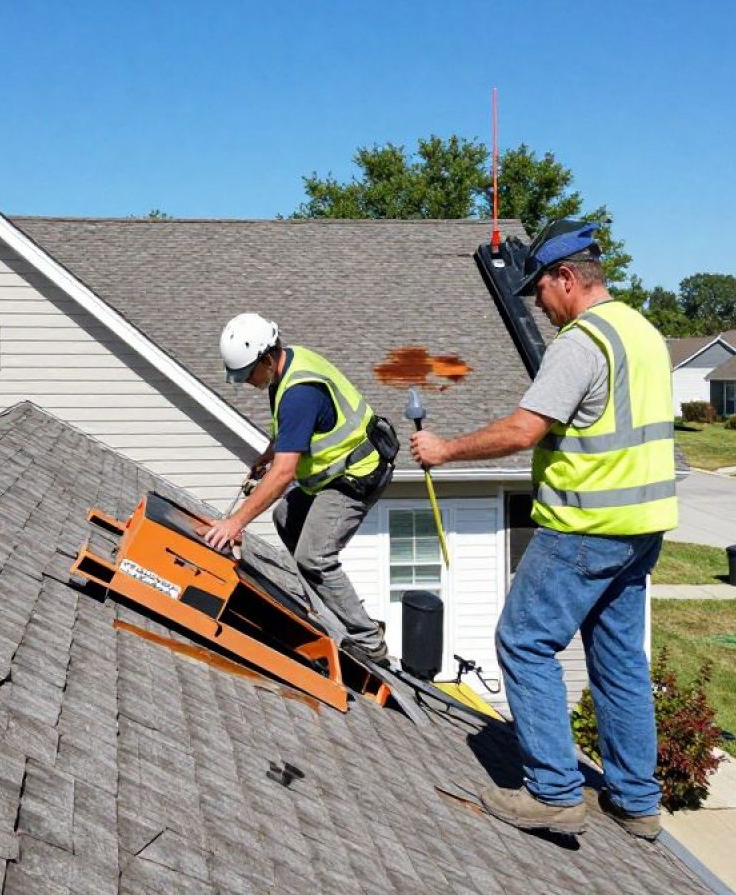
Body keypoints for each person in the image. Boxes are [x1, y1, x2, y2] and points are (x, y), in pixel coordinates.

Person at [410, 220, 676, 841]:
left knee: (524, 641)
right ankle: (637, 801)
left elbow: (524, 430)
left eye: (541, 290)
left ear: (566, 278)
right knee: (619, 663)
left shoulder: (582, 343)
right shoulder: (642, 332)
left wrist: (445, 450)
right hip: (641, 529)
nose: (537, 304)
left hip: (584, 526)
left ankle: (555, 791)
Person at [202, 313, 395, 663]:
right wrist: (270, 451)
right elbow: (298, 430)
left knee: (314, 556)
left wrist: (235, 523)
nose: (247, 382)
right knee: (285, 517)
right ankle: (325, 613)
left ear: (265, 358)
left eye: (248, 374)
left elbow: (283, 474)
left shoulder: (298, 392)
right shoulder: (287, 364)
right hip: (333, 472)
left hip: (357, 474)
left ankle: (369, 641)